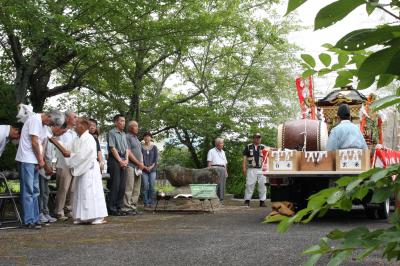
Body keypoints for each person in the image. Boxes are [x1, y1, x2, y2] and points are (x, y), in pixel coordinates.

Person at [50, 117, 108, 225]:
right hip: (81, 169)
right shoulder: (76, 139)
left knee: (90, 192)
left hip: (89, 169)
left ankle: (96, 216)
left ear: (82, 126)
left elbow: (80, 156)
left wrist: (56, 144)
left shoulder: (89, 139)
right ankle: (82, 217)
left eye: (76, 124)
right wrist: (55, 140)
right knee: (80, 192)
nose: (75, 127)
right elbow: (66, 148)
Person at [15, 110, 65, 229]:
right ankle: (28, 220)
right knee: (28, 190)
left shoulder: (43, 124)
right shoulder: (35, 120)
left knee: (36, 190)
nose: (50, 125)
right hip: (26, 159)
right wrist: (41, 160)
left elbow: (41, 144)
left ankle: (36, 218)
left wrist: (40, 161)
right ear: (48, 116)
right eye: (51, 123)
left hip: (34, 160)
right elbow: (34, 142)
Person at [38, 125, 66, 224]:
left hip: (48, 168)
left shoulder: (53, 137)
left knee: (46, 192)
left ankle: (45, 212)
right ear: (57, 127)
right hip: (42, 168)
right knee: (41, 192)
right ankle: (40, 213)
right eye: (62, 131)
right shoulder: (46, 135)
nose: (62, 134)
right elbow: (42, 153)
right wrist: (46, 166)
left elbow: (51, 155)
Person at [54, 111, 77, 220]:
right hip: (63, 164)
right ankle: (59, 211)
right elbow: (59, 146)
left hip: (73, 164)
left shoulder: (74, 133)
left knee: (72, 189)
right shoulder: (60, 130)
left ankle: (69, 209)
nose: (76, 119)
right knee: (63, 188)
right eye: (74, 117)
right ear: (67, 118)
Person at [107, 114, 129, 216]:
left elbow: (127, 149)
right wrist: (120, 160)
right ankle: (112, 208)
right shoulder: (111, 132)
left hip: (124, 159)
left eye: (124, 121)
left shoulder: (124, 134)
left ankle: (119, 207)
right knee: (115, 184)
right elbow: (112, 148)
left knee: (122, 185)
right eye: (121, 121)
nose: (123, 123)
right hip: (114, 159)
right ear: (116, 122)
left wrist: (126, 160)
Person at [122, 121, 145, 215]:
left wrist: (142, 163)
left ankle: (133, 207)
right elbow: (129, 152)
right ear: (130, 128)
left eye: (137, 126)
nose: (137, 128)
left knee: (136, 188)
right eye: (135, 126)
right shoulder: (127, 137)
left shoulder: (137, 139)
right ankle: (126, 208)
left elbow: (140, 152)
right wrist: (138, 163)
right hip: (130, 166)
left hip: (138, 167)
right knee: (129, 187)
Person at [242, 133, 268, 207]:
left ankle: (262, 201)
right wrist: (244, 167)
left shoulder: (264, 147)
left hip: (262, 169)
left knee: (262, 185)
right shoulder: (248, 146)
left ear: (260, 139)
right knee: (249, 184)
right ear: (253, 138)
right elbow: (244, 157)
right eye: (256, 137)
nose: (257, 139)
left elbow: (270, 154)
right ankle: (247, 200)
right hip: (251, 169)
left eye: (259, 137)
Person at [207, 137, 228, 204]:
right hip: (214, 168)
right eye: (222, 143)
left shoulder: (223, 152)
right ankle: (213, 200)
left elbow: (225, 163)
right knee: (214, 184)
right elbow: (209, 162)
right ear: (217, 144)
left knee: (222, 185)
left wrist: (226, 171)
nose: (223, 144)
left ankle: (221, 200)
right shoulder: (211, 151)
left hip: (222, 169)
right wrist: (209, 172)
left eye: (223, 143)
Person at [141, 131, 158, 208]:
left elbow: (156, 159)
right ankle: (145, 202)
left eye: (149, 136)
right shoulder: (141, 147)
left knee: (152, 186)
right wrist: (144, 167)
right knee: (145, 186)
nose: (147, 137)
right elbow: (140, 158)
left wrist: (151, 167)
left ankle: (151, 202)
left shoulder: (154, 147)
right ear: (143, 138)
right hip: (143, 169)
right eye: (145, 136)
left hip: (152, 169)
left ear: (151, 138)